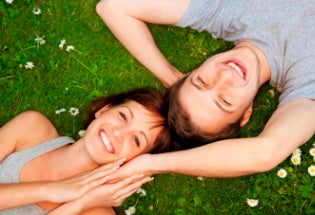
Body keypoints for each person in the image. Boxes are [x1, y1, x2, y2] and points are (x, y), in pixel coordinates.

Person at [96, 0, 315, 178]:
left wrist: (170, 77)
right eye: (225, 101)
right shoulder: (305, 85)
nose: (225, 76)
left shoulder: (224, 11)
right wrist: (151, 164)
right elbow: (266, 153)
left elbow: (113, 7)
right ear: (245, 114)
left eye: (201, 81)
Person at [0, 88, 172, 215]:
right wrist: (50, 190)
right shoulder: (32, 127)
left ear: (136, 161)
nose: (118, 133)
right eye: (123, 116)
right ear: (103, 110)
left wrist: (80, 204)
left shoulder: (97, 211)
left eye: (136, 140)